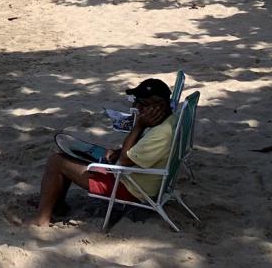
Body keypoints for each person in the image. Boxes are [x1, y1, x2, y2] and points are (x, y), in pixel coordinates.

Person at [31, 78, 177, 227]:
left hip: (131, 189)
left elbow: (125, 161)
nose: (136, 106)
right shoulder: (169, 121)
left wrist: (138, 126)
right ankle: (56, 204)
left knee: (56, 161)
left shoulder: (161, 133)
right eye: (136, 101)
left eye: (143, 104)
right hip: (133, 177)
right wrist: (119, 151)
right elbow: (135, 151)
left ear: (160, 106)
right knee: (69, 156)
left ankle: (41, 220)